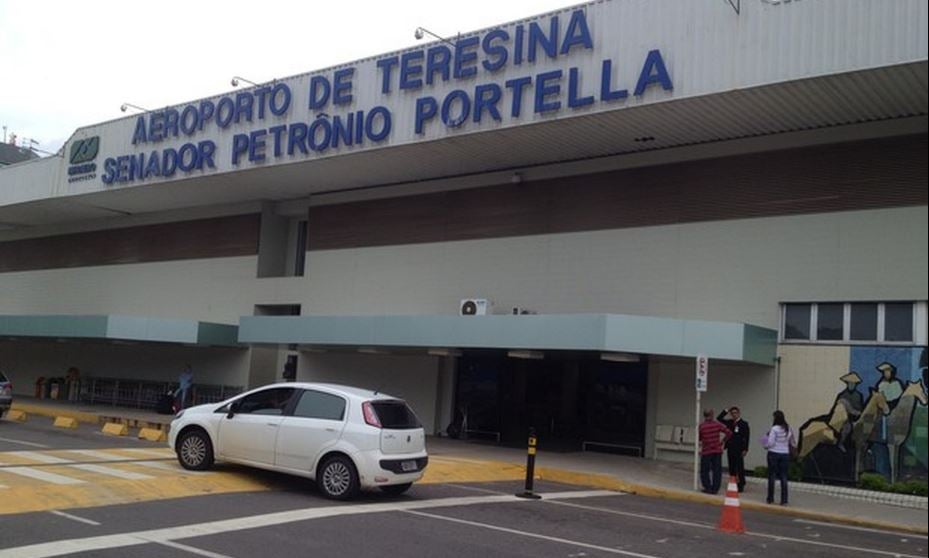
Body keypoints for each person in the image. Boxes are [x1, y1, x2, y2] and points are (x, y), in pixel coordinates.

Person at [764, 410, 796, 505]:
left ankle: (770, 498)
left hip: (773, 453)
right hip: (785, 454)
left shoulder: (774, 429)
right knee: (784, 477)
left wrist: (764, 442)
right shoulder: (788, 428)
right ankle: (784, 500)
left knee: (772, 476)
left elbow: (770, 443)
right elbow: (792, 442)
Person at [698, 408, 732, 494]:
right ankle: (715, 489)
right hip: (717, 450)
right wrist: (723, 441)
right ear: (712, 415)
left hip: (706, 451)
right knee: (717, 470)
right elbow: (729, 433)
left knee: (704, 470)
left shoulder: (702, 426)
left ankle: (707, 487)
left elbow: (700, 438)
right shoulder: (717, 424)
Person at [717, 406, 750, 492]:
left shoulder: (744, 424)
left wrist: (745, 449)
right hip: (731, 447)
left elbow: (746, 437)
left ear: (739, 413)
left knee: (739, 466)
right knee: (731, 466)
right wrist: (726, 410)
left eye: (735, 413)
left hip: (739, 448)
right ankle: (733, 482)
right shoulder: (730, 422)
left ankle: (741, 484)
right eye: (732, 413)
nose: (734, 415)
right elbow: (719, 419)